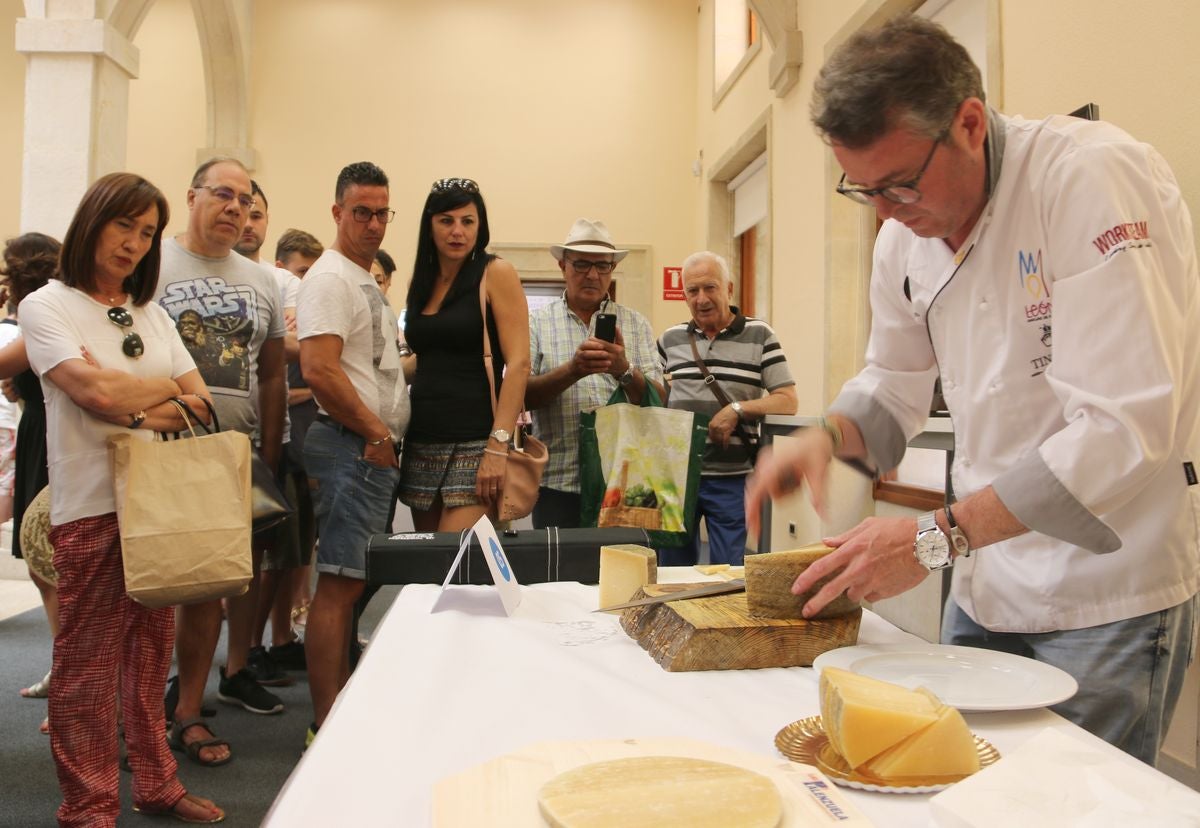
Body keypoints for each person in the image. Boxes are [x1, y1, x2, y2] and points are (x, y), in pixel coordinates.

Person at [745, 15, 1199, 766]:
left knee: (1076, 810)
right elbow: (893, 382)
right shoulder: (904, 238)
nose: (886, 214)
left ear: (968, 122)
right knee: (958, 791)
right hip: (987, 584)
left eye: (899, 184)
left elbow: (1121, 432)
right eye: (864, 191)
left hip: (1107, 595)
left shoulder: (1087, 179)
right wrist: (826, 438)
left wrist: (933, 538)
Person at [21, 171, 224, 826]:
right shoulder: (47, 305)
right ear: (93, 222)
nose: (134, 243)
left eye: (146, 232)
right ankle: (88, 809)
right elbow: (94, 394)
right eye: (123, 225)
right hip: (90, 505)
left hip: (159, 506)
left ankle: (158, 785)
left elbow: (201, 401)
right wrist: (149, 402)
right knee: (84, 671)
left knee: (147, 658)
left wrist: (136, 403)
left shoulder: (151, 312)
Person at [153, 157, 288, 765]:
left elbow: (274, 372)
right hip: (158, 450)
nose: (235, 208)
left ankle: (187, 713)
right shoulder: (152, 263)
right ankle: (134, 714)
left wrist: (271, 449)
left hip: (231, 454)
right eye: (223, 195)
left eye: (245, 199)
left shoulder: (262, 280)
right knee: (149, 590)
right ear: (192, 196)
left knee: (209, 588)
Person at [297, 161, 409, 745]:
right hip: (350, 447)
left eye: (381, 212)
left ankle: (338, 711)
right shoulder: (332, 278)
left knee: (352, 583)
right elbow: (317, 368)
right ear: (337, 212)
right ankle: (326, 726)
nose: (372, 223)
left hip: (362, 447)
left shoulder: (362, 279)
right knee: (338, 587)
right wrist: (375, 433)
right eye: (360, 211)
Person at [397, 178, 529, 532]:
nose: (458, 231)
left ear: (479, 226)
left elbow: (519, 364)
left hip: (477, 440)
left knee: (451, 561)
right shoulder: (419, 283)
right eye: (446, 220)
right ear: (430, 225)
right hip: (422, 441)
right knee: (427, 567)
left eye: (467, 221)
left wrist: (498, 446)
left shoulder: (495, 272)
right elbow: (426, 357)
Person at [657, 251, 796, 566]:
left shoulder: (761, 335)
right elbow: (654, 394)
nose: (701, 298)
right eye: (692, 291)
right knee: (672, 574)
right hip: (678, 478)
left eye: (710, 288)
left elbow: (787, 400)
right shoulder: (670, 339)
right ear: (684, 295)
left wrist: (737, 408)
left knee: (729, 574)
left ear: (729, 289)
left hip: (732, 478)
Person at [526, 218, 661, 528]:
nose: (592, 274)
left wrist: (624, 370)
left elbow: (660, 399)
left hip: (627, 483)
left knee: (626, 573)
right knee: (558, 574)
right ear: (562, 266)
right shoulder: (536, 323)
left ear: (612, 270)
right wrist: (572, 371)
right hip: (558, 483)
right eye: (582, 264)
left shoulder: (636, 324)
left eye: (602, 266)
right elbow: (522, 396)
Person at [1, 232, 60, 732]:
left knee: (57, 564)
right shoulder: (34, 311)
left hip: (55, 436)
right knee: (43, 562)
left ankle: (74, 677)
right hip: (39, 432)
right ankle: (66, 667)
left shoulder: (43, 312)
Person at [273, 229, 324, 641]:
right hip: (281, 448)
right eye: (301, 272)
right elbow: (277, 391)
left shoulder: (313, 318)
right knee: (280, 550)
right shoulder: (280, 324)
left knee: (305, 540)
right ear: (281, 271)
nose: (307, 283)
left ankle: (296, 616)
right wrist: (317, 387)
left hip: (311, 447)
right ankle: (276, 632)